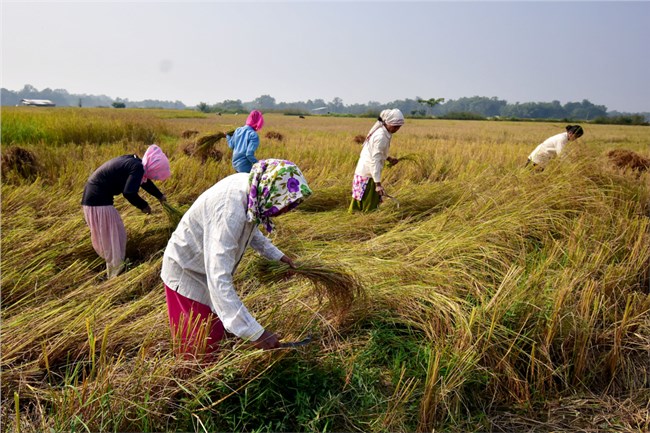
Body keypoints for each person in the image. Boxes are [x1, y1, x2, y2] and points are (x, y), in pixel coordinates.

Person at [161, 159, 312, 358]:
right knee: (199, 347)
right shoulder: (229, 210)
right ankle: (193, 383)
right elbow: (218, 278)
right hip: (187, 272)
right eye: (285, 205)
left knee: (214, 334)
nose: (285, 211)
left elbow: (250, 229)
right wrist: (257, 333)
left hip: (203, 270)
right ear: (273, 193)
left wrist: (278, 256)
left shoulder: (253, 189)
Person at [81, 144, 171, 279]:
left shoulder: (136, 163)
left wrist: (159, 196)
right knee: (114, 238)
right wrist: (143, 206)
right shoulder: (137, 167)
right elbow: (129, 192)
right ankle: (114, 276)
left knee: (116, 235)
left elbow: (144, 182)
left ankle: (115, 269)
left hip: (94, 200)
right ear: (154, 167)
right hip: (98, 203)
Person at [349, 108, 405, 212]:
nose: (397, 129)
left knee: (359, 203)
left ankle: (355, 220)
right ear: (387, 122)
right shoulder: (381, 136)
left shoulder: (384, 132)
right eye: (395, 126)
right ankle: (364, 224)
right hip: (369, 175)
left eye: (399, 127)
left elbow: (376, 152)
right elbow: (374, 160)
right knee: (368, 206)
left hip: (364, 172)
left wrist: (388, 158)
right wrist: (378, 184)